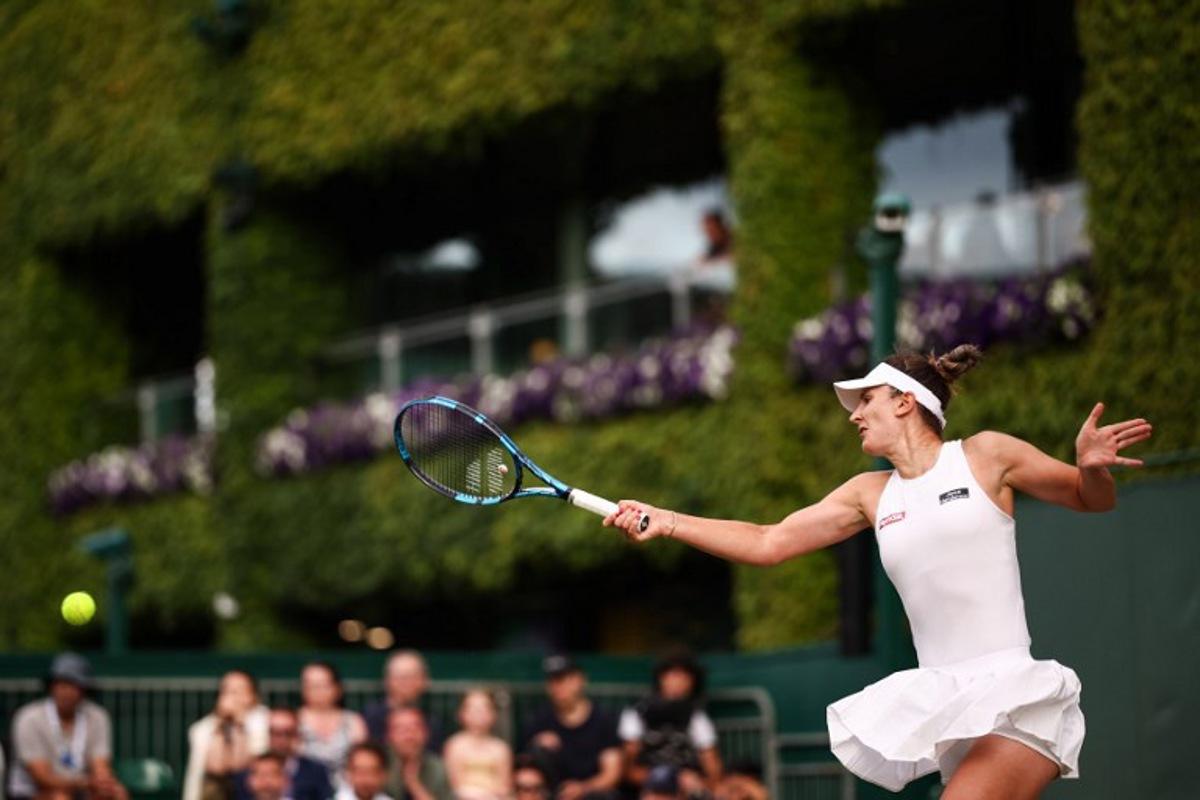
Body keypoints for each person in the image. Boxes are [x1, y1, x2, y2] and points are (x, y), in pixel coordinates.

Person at [605, 345, 1154, 799]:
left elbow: (1091, 498)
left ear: (905, 402)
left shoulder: (987, 455)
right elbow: (768, 541)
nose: (854, 414)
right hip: (948, 705)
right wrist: (669, 521)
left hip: (1016, 697)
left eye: (866, 399)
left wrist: (1091, 468)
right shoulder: (869, 494)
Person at [7, 652, 129, 800]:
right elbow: (41, 777)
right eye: (62, 684)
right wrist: (84, 783)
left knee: (116, 793)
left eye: (74, 686)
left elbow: (100, 766)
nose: (68, 692)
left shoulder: (97, 716)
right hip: (32, 793)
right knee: (60, 798)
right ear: (52, 687)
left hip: (80, 790)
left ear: (84, 690)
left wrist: (103, 784)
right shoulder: (29, 718)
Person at [618, 654, 720, 797]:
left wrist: (698, 782)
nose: (678, 682)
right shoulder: (636, 713)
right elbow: (627, 768)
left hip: (686, 787)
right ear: (661, 678)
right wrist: (660, 779)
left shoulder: (697, 718)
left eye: (685, 677)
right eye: (673, 675)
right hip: (646, 785)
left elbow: (712, 765)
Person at [524, 655, 621, 800]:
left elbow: (612, 774)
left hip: (591, 794)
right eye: (553, 681)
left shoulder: (603, 719)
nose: (559, 687)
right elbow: (522, 771)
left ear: (580, 680)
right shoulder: (539, 719)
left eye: (564, 680)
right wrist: (535, 748)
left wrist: (582, 788)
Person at [183, 670, 270, 800]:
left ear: (253, 695)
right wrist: (222, 725)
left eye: (238, 690)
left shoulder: (266, 720)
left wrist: (239, 725)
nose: (231, 696)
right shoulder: (204, 728)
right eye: (226, 690)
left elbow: (245, 764)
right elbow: (216, 767)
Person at [298, 663, 367, 790]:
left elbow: (362, 761)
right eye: (312, 685)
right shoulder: (294, 722)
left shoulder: (353, 721)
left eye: (323, 685)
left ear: (337, 688)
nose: (318, 690)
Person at [233, 709, 330, 800]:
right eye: (275, 732)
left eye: (287, 733)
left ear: (297, 734)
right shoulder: (248, 772)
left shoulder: (316, 772)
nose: (281, 739)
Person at [363, 652, 442, 751]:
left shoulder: (432, 719)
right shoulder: (371, 717)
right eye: (401, 677)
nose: (406, 683)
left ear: (424, 681)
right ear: (387, 680)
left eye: (413, 676)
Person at [441, 689, 511, 800]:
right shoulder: (454, 745)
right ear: (462, 714)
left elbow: (504, 786)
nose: (479, 713)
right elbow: (455, 786)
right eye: (473, 709)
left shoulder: (501, 748)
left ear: (493, 714)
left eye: (484, 709)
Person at [384, 707, 451, 800]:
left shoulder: (437, 767)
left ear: (426, 733)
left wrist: (413, 783)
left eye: (415, 729)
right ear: (389, 735)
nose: (409, 736)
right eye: (401, 730)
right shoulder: (379, 764)